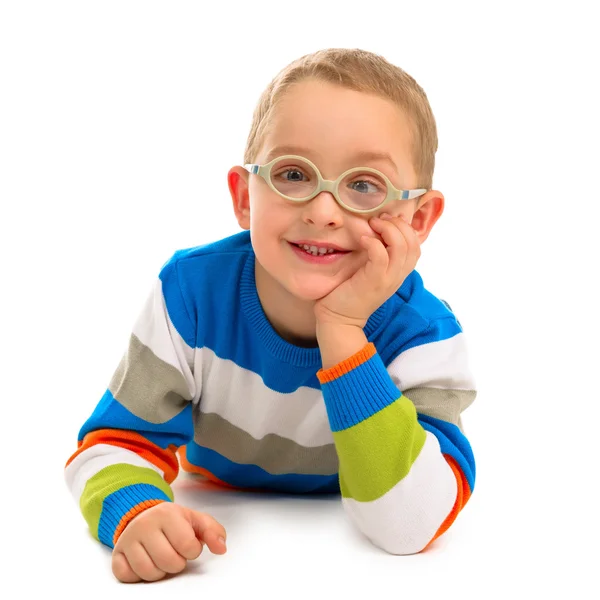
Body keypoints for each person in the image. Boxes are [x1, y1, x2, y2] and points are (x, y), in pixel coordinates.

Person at [64, 47, 477, 583]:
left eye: (363, 186)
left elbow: (410, 526)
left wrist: (343, 328)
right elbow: (112, 444)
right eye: (293, 174)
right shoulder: (191, 294)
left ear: (418, 218)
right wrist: (138, 512)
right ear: (244, 197)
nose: (323, 211)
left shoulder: (422, 334)